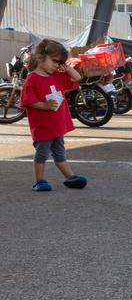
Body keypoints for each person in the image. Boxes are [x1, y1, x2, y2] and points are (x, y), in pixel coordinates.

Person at [19, 39, 87, 192]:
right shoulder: (32, 79)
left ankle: (70, 177)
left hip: (57, 125)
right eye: (55, 61)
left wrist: (67, 68)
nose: (57, 65)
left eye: (60, 62)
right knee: (42, 154)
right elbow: (27, 100)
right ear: (40, 58)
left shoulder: (56, 75)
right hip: (43, 126)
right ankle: (39, 180)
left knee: (60, 153)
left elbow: (77, 78)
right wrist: (43, 105)